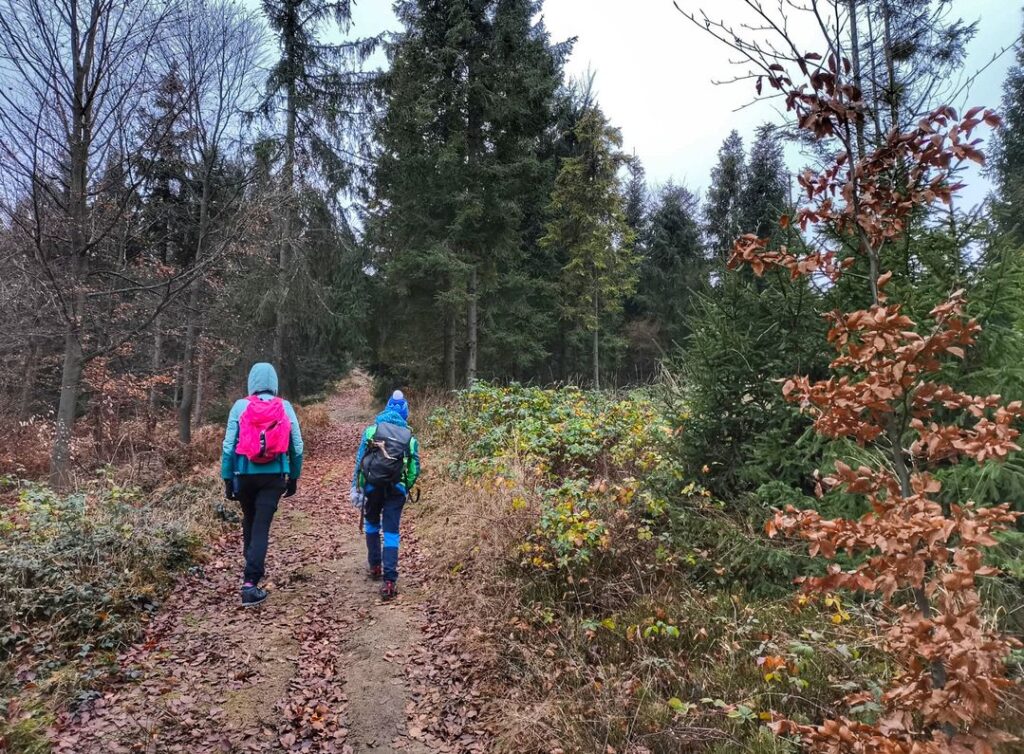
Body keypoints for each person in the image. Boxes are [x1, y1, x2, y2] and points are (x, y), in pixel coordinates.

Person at [221, 363, 304, 607]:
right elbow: (297, 446)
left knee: (249, 518)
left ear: (251, 382)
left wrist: (227, 478)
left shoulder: (240, 406)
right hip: (274, 476)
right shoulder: (284, 407)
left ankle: (251, 564)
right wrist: (294, 476)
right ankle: (250, 582)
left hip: (244, 475)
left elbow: (228, 446)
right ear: (274, 383)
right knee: (261, 526)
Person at [350, 390, 420, 600]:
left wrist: (358, 487)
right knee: (391, 532)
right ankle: (389, 580)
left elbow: (360, 461)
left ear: (386, 409)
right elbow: (415, 468)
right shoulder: (409, 437)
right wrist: (404, 486)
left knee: (372, 524)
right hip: (395, 490)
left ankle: (375, 566)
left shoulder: (372, 430)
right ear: (405, 414)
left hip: (372, 487)